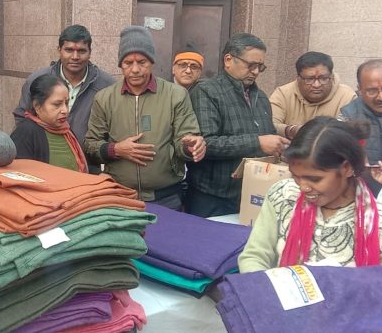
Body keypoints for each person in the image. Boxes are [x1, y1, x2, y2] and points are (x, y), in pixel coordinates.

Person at [238, 116, 382, 272]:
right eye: (296, 176)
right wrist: (264, 296)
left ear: (347, 168)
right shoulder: (283, 196)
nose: (303, 187)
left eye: (315, 179)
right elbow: (254, 257)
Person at [84, 26, 205, 210]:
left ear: (152, 62)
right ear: (120, 64)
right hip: (120, 196)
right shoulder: (104, 98)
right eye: (127, 63)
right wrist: (116, 149)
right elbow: (90, 145)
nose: (135, 69)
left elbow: (185, 140)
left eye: (142, 62)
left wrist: (191, 146)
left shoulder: (176, 95)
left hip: (166, 197)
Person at [187, 33, 288, 217]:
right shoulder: (207, 92)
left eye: (260, 66)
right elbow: (206, 144)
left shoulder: (262, 97)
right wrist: (257, 143)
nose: (256, 72)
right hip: (212, 197)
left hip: (252, 193)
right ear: (228, 60)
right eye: (251, 65)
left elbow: (268, 136)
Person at [13, 25, 114, 147]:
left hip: (89, 162)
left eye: (81, 51)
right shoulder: (38, 80)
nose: (75, 57)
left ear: (90, 53)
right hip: (44, 158)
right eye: (69, 50)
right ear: (59, 50)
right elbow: (22, 118)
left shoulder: (107, 85)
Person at [339, 59, 382, 195]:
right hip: (364, 197)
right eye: (372, 91)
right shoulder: (347, 116)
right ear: (359, 89)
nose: (381, 97)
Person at [11, 74, 88, 172]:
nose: (65, 110)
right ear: (37, 106)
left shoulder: (67, 132)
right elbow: (21, 174)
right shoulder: (26, 132)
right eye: (57, 104)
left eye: (66, 103)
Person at [270, 51, 355, 139]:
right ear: (298, 78)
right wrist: (291, 130)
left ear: (331, 76)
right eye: (310, 79)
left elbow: (348, 134)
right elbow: (268, 126)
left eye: (323, 78)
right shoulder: (283, 93)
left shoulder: (347, 96)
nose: (316, 85)